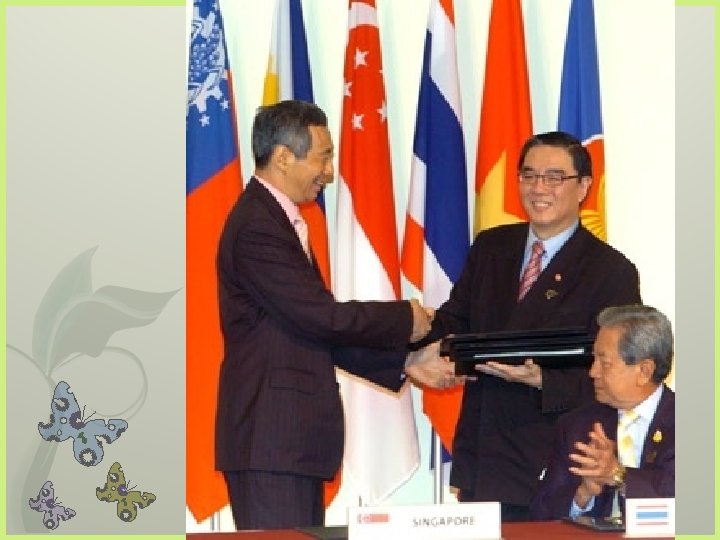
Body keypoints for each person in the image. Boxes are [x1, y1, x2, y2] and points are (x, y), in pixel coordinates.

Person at [214, 100, 451, 531]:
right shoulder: (258, 225)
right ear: (283, 156)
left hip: (286, 444)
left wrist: (406, 360)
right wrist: (406, 319)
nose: (328, 171)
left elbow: (308, 331)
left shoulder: (274, 219)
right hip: (272, 442)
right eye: (323, 157)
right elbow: (320, 317)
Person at [416, 131, 642, 521]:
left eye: (554, 177)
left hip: (553, 462)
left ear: (583, 186)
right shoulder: (491, 247)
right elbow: (454, 324)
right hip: (485, 459)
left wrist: (543, 380)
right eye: (529, 175)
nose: (539, 188)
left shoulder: (610, 271)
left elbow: (622, 378)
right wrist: (410, 333)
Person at [530, 304, 675, 520]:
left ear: (644, 371)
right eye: (594, 360)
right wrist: (582, 494)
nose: (592, 372)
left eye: (604, 363)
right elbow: (541, 513)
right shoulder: (577, 425)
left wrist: (618, 475)